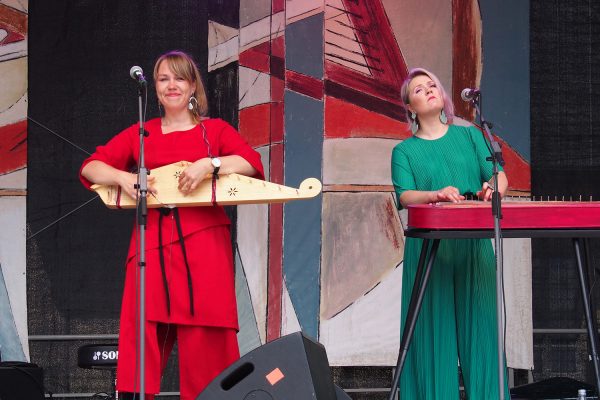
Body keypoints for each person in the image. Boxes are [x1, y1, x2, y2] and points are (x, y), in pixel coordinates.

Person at [80, 50, 264, 400]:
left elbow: (251, 163)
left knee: (206, 337)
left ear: (193, 85)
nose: (171, 85)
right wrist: (124, 176)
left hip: (203, 246)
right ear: (157, 88)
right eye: (163, 79)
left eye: (179, 78)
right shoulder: (143, 133)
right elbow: (91, 167)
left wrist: (210, 163)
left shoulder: (215, 130)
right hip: (152, 244)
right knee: (143, 331)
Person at [390, 68, 510, 399]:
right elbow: (405, 196)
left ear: (442, 96)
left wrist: (492, 187)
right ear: (410, 107)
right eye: (418, 89)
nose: (428, 90)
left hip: (473, 247)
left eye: (432, 85)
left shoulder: (470, 135)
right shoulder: (404, 151)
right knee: (431, 343)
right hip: (430, 251)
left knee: (483, 340)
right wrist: (436, 195)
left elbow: (498, 176)